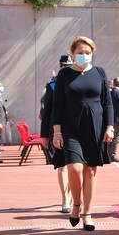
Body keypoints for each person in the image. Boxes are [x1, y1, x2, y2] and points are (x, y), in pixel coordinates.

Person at [52, 36, 114, 232]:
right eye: (80, 53)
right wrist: (57, 132)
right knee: (75, 168)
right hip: (71, 128)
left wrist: (109, 126)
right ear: (72, 53)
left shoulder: (99, 72)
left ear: (92, 53)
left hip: (94, 127)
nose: (84, 56)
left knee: (90, 170)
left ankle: (87, 213)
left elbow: (108, 101)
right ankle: (76, 204)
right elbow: (57, 105)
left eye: (87, 53)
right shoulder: (64, 76)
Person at [40, 55, 74, 213]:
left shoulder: (77, 84)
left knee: (76, 166)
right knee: (62, 166)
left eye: (69, 65)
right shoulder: (52, 86)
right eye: (63, 66)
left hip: (75, 129)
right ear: (60, 67)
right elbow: (47, 112)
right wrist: (44, 135)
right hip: (57, 131)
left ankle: (74, 194)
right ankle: (65, 198)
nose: (66, 68)